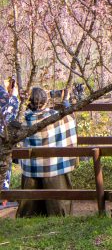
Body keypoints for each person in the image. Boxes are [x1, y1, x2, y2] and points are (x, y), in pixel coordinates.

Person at [16, 87, 78, 217]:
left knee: (30, 203)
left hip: (31, 167)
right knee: (59, 199)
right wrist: (65, 101)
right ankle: (58, 214)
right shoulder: (54, 117)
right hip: (53, 165)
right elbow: (71, 117)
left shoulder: (22, 119)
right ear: (46, 101)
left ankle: (30, 215)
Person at [1, 77, 19, 209]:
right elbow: (10, 106)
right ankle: (3, 198)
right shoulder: (7, 98)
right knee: (3, 165)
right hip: (2, 138)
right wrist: (15, 96)